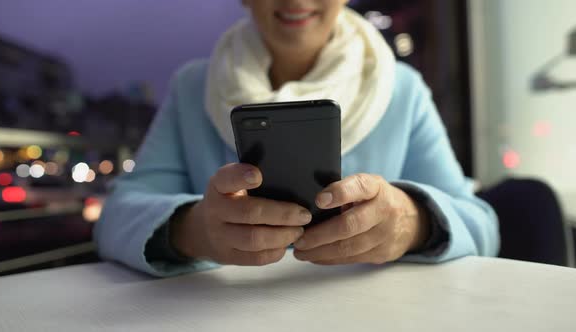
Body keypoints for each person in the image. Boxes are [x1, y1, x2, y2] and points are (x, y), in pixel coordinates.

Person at [94, 0, 499, 276]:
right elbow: (117, 216)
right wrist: (194, 229)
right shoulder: (191, 88)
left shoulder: (401, 89)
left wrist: (412, 221)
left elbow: (481, 224)